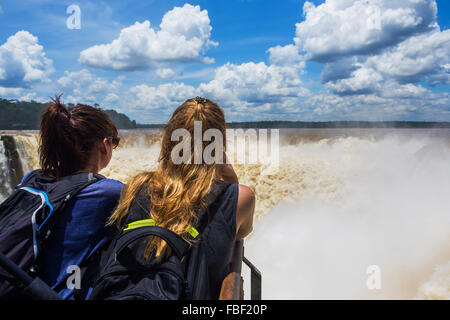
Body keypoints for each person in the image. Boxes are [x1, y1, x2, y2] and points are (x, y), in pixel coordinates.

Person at [108, 97, 255, 299]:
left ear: (168, 140)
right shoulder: (240, 197)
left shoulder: (134, 188)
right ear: (219, 143)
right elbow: (240, 232)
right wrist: (229, 175)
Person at [23, 96, 124, 299]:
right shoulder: (110, 192)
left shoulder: (32, 179)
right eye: (114, 143)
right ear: (105, 145)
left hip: (26, 289)